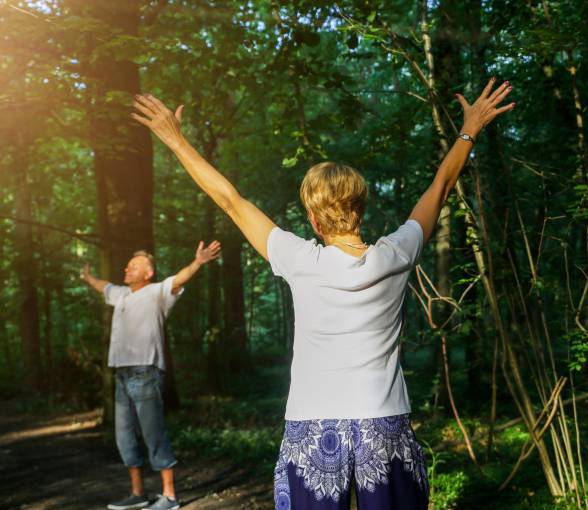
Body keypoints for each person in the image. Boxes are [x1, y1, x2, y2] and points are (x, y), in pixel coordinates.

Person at [131, 77, 513, 509]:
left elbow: (230, 201)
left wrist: (176, 140)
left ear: (312, 218)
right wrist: (470, 128)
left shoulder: (299, 259)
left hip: (313, 423)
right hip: (382, 420)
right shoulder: (397, 253)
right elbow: (442, 185)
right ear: (362, 207)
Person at [82, 241, 221, 510]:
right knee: (124, 437)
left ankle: (169, 497)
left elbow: (179, 278)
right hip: (121, 375)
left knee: (152, 433)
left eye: (134, 266)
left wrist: (198, 262)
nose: (127, 268)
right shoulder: (121, 294)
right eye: (128, 265)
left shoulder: (158, 292)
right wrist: (88, 277)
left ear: (148, 273)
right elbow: (103, 287)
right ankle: (138, 494)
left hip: (145, 371)